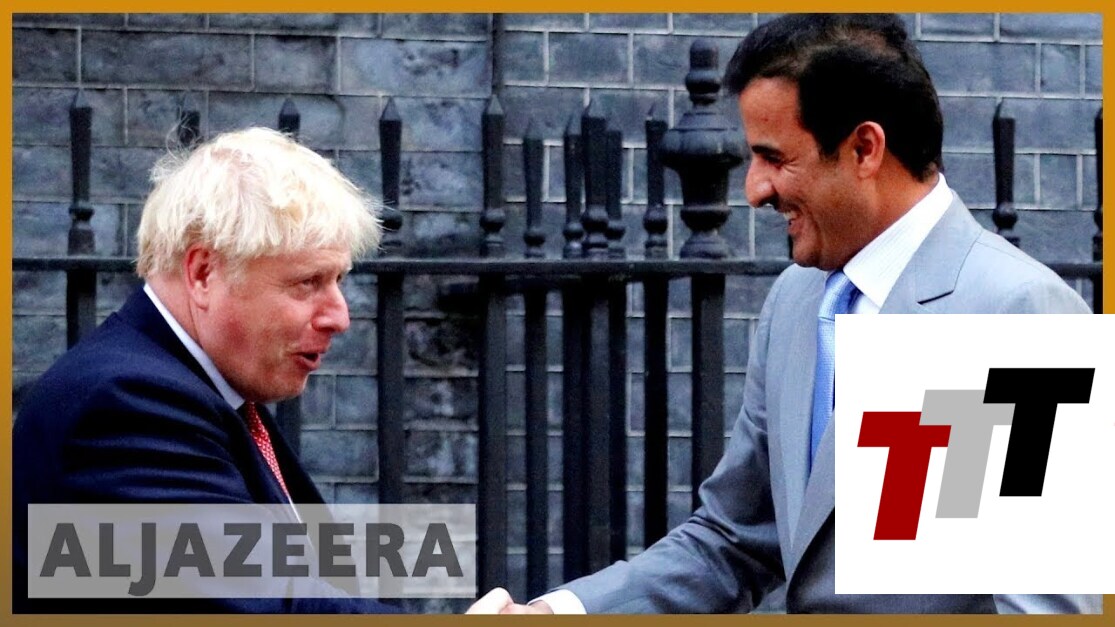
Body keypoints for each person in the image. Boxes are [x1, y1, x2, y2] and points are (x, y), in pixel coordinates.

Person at [473, 14, 1101, 614]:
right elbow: (732, 539)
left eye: (775, 158)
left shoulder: (1021, 316)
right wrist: (557, 610)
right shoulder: (797, 302)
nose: (754, 189)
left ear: (864, 149)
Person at [13, 127, 401, 613]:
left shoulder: (197, 390)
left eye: (338, 279)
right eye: (307, 282)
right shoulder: (129, 404)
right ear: (202, 273)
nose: (339, 316)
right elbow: (270, 603)